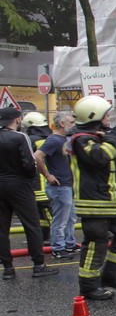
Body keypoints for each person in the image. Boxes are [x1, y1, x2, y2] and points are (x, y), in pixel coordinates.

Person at [69, 96, 116, 300]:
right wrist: (112, 140)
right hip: (94, 202)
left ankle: (110, 276)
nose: (110, 118)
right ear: (95, 117)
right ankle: (89, 286)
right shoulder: (81, 139)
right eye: (106, 115)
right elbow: (100, 157)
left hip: (111, 200)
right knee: (95, 243)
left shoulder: (97, 136)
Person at [0, 107, 59, 280]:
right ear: (17, 120)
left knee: (2, 229)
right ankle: (39, 265)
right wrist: (29, 176)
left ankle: (8, 269)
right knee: (32, 225)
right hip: (20, 185)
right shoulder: (20, 137)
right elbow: (28, 164)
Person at [35, 111, 79, 260]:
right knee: (60, 219)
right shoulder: (54, 140)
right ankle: (58, 248)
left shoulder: (63, 140)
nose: (73, 125)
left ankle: (69, 243)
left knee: (71, 217)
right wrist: (48, 175)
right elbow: (37, 156)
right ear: (62, 124)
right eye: (71, 123)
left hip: (66, 184)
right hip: (59, 186)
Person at [21, 112, 54, 245]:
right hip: (48, 177)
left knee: (44, 209)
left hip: (38, 181)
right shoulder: (48, 137)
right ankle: (45, 237)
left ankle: (57, 237)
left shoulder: (31, 139)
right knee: (42, 212)